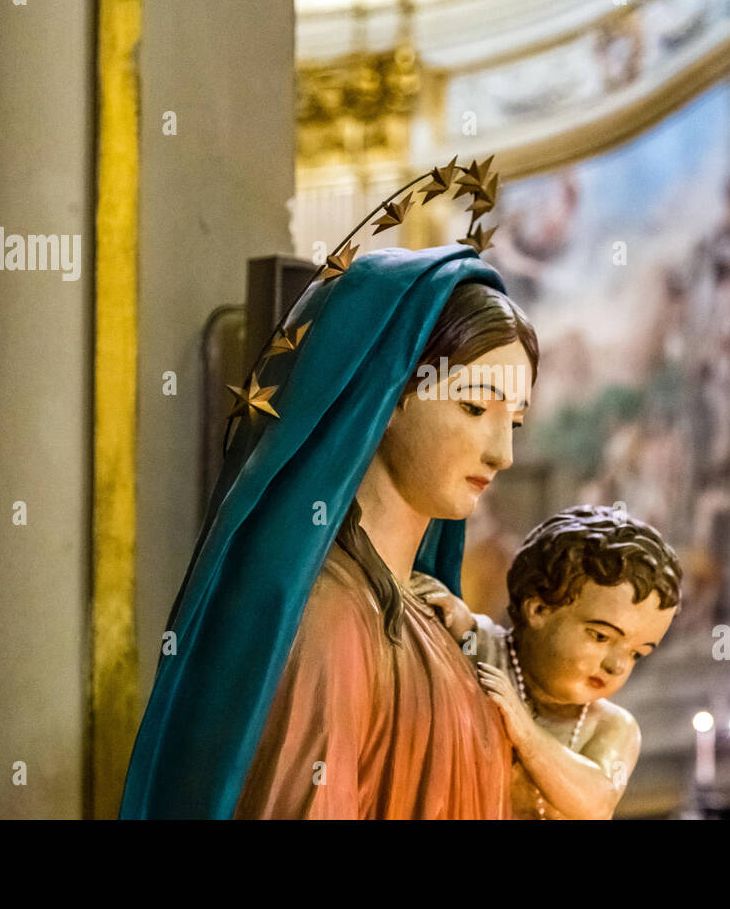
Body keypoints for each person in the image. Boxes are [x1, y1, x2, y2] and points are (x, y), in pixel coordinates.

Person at [119, 242, 538, 819]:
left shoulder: (428, 616)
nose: (503, 453)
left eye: (514, 420)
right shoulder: (332, 622)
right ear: (387, 396)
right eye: (473, 408)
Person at [421, 505, 682, 819]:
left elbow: (598, 802)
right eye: (601, 637)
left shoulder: (612, 727)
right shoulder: (486, 649)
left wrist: (527, 735)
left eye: (636, 652)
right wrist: (450, 613)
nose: (617, 666)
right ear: (540, 609)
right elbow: (466, 635)